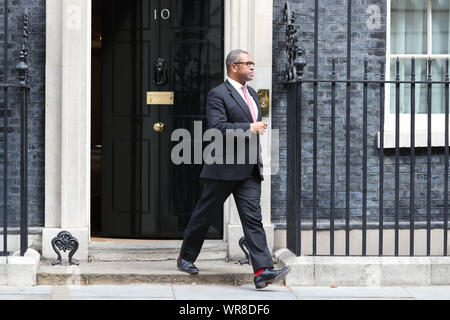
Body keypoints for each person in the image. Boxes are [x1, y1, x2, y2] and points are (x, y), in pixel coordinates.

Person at [177, 49, 290, 289]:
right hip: (223, 167)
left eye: (252, 63)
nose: (251, 67)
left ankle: (262, 271)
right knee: (204, 214)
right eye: (246, 63)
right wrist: (249, 126)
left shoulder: (252, 93)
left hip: (249, 170)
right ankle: (185, 256)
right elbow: (217, 128)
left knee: (253, 219)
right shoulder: (218, 94)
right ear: (233, 67)